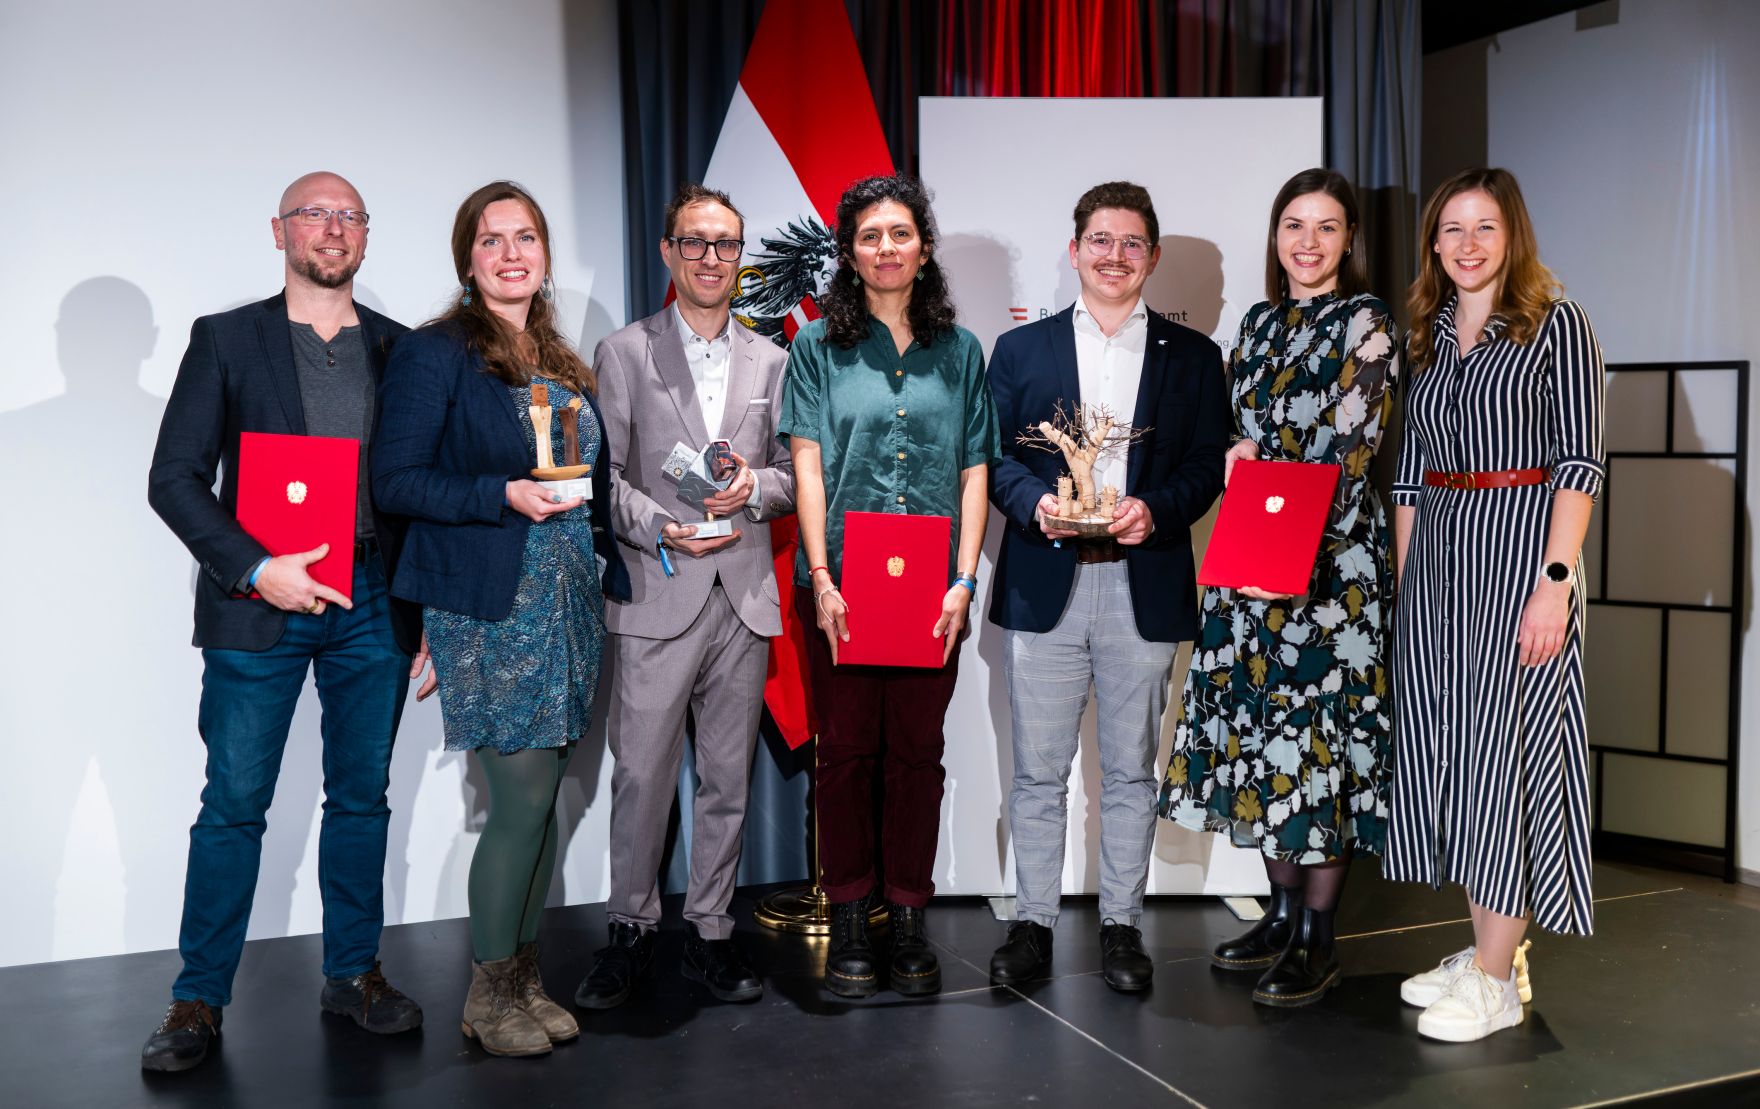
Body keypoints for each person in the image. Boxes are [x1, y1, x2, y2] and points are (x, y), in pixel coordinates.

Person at [141, 171, 425, 1073]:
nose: (332, 229)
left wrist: (429, 615)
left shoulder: (400, 347)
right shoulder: (227, 339)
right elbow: (174, 478)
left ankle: (354, 973)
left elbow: (415, 487)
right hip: (258, 604)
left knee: (363, 797)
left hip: (372, 600)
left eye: (349, 216)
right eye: (315, 214)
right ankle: (197, 998)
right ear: (279, 231)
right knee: (232, 805)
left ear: (367, 237)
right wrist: (261, 569)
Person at [373, 181, 631, 1058]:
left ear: (546, 254)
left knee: (546, 796)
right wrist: (501, 493)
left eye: (526, 237)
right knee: (519, 800)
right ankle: (486, 995)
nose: (512, 253)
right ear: (467, 256)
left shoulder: (559, 357)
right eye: (493, 240)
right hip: (488, 602)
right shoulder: (435, 352)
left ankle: (523, 976)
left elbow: (589, 483)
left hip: (565, 600)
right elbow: (395, 481)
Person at [1158, 168, 1400, 1006]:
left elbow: (1349, 451)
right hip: (1252, 557)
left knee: (1319, 746)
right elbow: (1235, 422)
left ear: (1348, 241)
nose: (1307, 242)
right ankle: (1281, 909)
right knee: (1262, 735)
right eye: (1293, 225)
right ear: (1276, 236)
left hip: (1330, 573)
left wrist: (1281, 501)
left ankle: (1317, 935)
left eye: (1326, 228)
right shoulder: (1257, 323)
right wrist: (1228, 448)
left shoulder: (1366, 323)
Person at [986, 181, 1230, 993]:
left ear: (1152, 256)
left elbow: (1205, 469)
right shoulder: (1021, 351)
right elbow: (999, 462)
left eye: (1131, 243)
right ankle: (1032, 921)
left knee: (1130, 769)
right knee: (1037, 770)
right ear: (1075, 249)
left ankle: (1122, 924)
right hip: (1046, 581)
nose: (1115, 256)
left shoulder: (1193, 358)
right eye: (1100, 240)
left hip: (1142, 581)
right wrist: (1038, 505)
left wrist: (1152, 510)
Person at [1385, 167, 1605, 1042]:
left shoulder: (1557, 325)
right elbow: (1407, 474)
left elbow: (1579, 463)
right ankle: (1487, 952)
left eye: (1485, 228)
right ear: (1434, 242)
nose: (1467, 245)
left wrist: (1557, 582)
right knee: (1457, 758)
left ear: (1512, 235)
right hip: (1439, 557)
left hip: (1521, 555)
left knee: (1509, 760)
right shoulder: (1430, 333)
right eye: (1451, 230)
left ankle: (1493, 979)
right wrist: (1407, 589)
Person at [778, 173, 999, 998]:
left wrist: (963, 581)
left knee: (917, 754)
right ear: (849, 251)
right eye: (869, 235)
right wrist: (823, 576)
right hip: (841, 585)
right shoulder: (815, 347)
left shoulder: (962, 351)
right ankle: (849, 920)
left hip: (931, 591)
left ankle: (907, 914)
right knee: (844, 756)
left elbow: (975, 470)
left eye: (899, 233)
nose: (885, 248)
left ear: (924, 246)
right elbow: (806, 466)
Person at [574, 184, 795, 1010]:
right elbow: (608, 480)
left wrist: (755, 491)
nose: (712, 258)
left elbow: (785, 475)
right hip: (657, 591)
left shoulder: (772, 360)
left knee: (728, 780)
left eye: (727, 245)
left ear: (741, 257)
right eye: (695, 243)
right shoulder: (625, 350)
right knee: (641, 777)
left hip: (742, 595)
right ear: (668, 252)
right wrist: (660, 528)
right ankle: (630, 931)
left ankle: (708, 930)